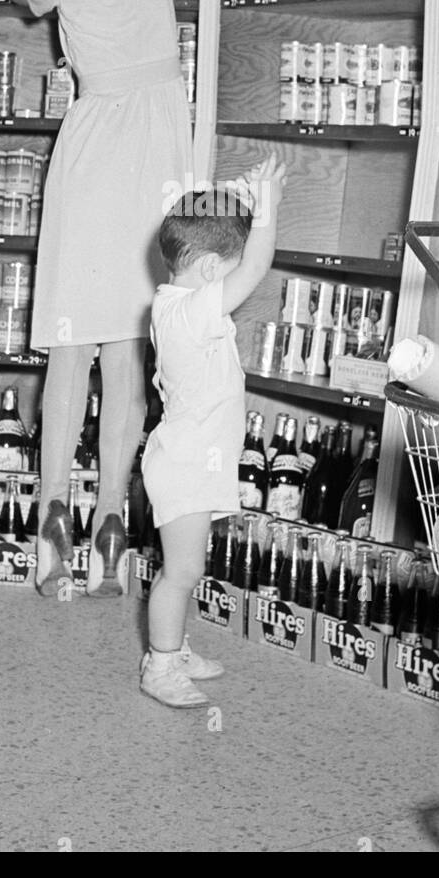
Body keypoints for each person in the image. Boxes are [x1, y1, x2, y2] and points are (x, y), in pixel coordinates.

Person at [7, 0, 204, 597]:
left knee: (68, 348)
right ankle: (112, 517)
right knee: (128, 349)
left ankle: (50, 517)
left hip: (90, 149)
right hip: (156, 152)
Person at [140, 154, 286, 708]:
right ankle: (159, 664)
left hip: (190, 461)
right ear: (206, 270)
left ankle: (172, 648)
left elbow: (238, 265)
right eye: (229, 265)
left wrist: (247, 203)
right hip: (182, 466)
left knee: (187, 567)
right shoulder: (185, 314)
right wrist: (268, 210)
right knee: (179, 573)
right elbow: (255, 269)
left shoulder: (181, 305)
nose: (238, 279)